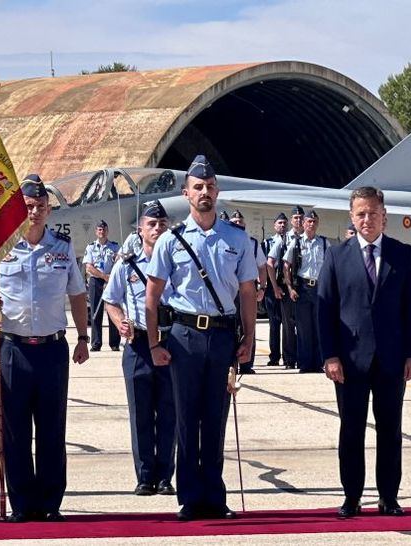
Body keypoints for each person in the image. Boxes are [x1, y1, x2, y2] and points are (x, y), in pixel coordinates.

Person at [0, 174, 90, 523]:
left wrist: (83, 337)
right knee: (15, 430)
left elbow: (77, 294)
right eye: (27, 207)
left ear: (48, 210)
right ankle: (22, 503)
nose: (33, 212)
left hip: (52, 350)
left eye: (39, 206)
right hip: (13, 349)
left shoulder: (62, 249)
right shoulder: (0, 250)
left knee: (52, 429)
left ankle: (50, 503)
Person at [145, 155, 257, 521]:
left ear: (217, 191)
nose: (204, 192)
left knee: (215, 418)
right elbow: (152, 295)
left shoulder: (237, 238)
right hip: (184, 336)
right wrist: (154, 342)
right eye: (198, 187)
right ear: (186, 193)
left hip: (223, 336)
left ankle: (214, 495)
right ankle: (190, 497)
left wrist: (249, 338)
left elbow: (246, 292)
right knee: (186, 417)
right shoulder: (170, 241)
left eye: (209, 187)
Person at [318, 186, 411, 519]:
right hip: (349, 362)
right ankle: (352, 497)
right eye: (361, 213)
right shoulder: (336, 256)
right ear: (352, 216)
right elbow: (325, 310)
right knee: (351, 430)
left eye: (373, 213)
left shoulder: (402, 255)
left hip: (392, 360)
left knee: (390, 430)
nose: (367, 219)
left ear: (384, 216)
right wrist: (330, 355)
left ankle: (388, 497)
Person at [103, 200, 176, 497]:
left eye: (161, 224)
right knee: (141, 413)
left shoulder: (177, 261)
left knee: (169, 412)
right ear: (140, 229)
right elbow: (111, 300)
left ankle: (165, 476)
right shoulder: (126, 264)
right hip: (138, 345)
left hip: (170, 342)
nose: (157, 229)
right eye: (151, 224)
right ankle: (145, 476)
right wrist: (120, 322)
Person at [283, 209, 327, 373]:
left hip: (319, 288)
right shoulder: (296, 242)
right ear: (303, 223)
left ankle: (318, 362)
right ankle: (305, 363)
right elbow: (286, 265)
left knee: (318, 326)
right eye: (309, 221)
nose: (312, 224)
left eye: (315, 221)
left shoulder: (323, 243)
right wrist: (290, 288)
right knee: (303, 328)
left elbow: (330, 265)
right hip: (302, 288)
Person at [229, 209, 267, 374]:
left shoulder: (253, 243)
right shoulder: (225, 241)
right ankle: (231, 361)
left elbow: (262, 266)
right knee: (230, 325)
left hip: (247, 289)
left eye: (240, 221)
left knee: (248, 326)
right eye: (234, 222)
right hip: (229, 290)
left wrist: (263, 287)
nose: (238, 224)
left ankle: (247, 364)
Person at [267, 206, 304, 369]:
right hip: (286, 285)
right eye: (295, 218)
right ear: (292, 220)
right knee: (288, 324)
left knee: (304, 324)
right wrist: (275, 287)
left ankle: (304, 356)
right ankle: (289, 359)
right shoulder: (284, 239)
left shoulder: (307, 237)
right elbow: (270, 263)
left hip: (304, 286)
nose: (298, 220)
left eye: (300, 217)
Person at [83, 220, 121, 351]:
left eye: (104, 229)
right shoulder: (90, 247)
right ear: (96, 232)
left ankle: (114, 343)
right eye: (99, 230)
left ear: (107, 231)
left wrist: (110, 278)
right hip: (96, 281)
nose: (102, 232)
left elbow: (119, 263)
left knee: (113, 311)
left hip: (111, 281)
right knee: (96, 313)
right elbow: (89, 267)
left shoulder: (115, 247)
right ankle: (96, 343)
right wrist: (104, 276)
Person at [263, 213, 288, 367]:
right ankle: (274, 357)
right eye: (279, 223)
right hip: (271, 288)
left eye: (284, 223)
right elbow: (263, 265)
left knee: (288, 323)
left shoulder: (292, 241)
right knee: (274, 324)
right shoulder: (267, 243)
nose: (282, 225)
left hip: (285, 286)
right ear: (274, 225)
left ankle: (288, 356)